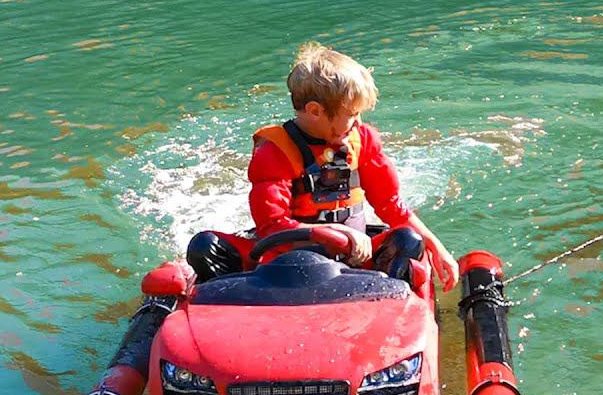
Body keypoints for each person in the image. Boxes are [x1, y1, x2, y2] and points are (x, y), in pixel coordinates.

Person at [187, 42, 459, 291]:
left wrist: (437, 248)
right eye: (351, 114)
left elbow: (391, 205)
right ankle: (229, 302)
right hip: (284, 262)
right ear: (315, 111)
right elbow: (271, 226)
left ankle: (390, 304)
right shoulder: (274, 153)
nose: (358, 123)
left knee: (409, 241)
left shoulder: (363, 140)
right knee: (204, 246)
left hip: (355, 258)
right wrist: (333, 233)